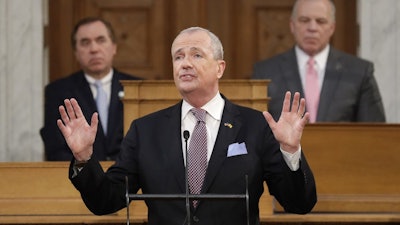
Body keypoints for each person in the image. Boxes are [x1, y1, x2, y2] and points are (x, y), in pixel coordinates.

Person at [57, 27, 316, 225]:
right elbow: (106, 201)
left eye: (196, 55)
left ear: (219, 68)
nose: (185, 63)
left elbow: (299, 203)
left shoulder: (255, 127)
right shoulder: (145, 131)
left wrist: (290, 151)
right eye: (178, 56)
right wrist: (83, 157)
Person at [252, 0, 386, 122]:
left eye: (321, 21)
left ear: (332, 28)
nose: (312, 28)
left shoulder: (359, 72)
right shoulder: (265, 72)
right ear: (292, 26)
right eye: (304, 20)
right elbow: (255, 131)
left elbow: (375, 134)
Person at [40, 17, 142, 161]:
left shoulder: (138, 87)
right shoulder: (58, 91)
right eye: (85, 43)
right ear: (76, 52)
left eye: (101, 40)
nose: (94, 49)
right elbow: (55, 148)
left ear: (114, 47)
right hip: (81, 178)